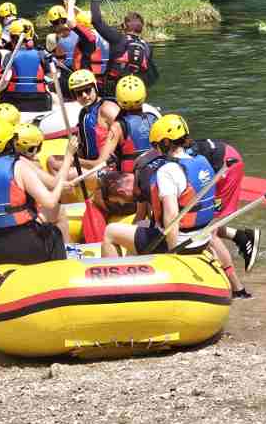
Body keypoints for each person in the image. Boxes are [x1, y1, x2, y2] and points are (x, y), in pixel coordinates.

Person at [101, 115, 245, 296]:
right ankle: (136, 277)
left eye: (155, 145)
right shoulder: (202, 161)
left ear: (166, 142)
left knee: (111, 231)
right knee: (140, 229)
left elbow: (171, 216)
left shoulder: (167, 171)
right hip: (202, 240)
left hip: (180, 243)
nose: (155, 150)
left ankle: (113, 291)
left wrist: (171, 254)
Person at [0, 119, 76, 266]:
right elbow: (50, 201)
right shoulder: (19, 167)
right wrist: (60, 183)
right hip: (26, 247)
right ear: (11, 142)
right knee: (54, 234)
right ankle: (62, 272)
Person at [191, 136, 260, 270]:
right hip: (223, 158)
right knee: (199, 224)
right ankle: (242, 237)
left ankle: (231, 280)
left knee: (209, 231)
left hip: (227, 166)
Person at [13, 123, 76, 247]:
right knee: (58, 210)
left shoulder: (11, 159)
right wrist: (69, 156)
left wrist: (61, 186)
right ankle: (68, 249)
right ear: (32, 149)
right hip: (21, 223)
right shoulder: (23, 162)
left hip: (9, 220)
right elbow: (54, 184)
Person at [86, 0, 159, 85]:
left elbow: (96, 21)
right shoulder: (147, 47)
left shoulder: (118, 39)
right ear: (142, 28)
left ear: (125, 26)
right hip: (136, 91)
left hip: (114, 89)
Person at [0, 19, 52, 112]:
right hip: (40, 102)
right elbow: (50, 77)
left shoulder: (9, 56)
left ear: (11, 37)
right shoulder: (41, 54)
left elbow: (6, 79)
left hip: (14, 101)